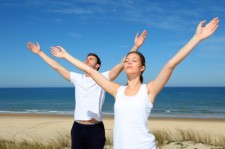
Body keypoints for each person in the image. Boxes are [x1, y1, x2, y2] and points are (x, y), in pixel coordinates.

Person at [50, 17, 219, 149]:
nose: (129, 62)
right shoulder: (117, 91)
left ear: (142, 68)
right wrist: (66, 56)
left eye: (134, 60)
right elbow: (92, 72)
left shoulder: (150, 90)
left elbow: (170, 64)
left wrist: (196, 38)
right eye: (127, 60)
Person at [26, 30, 147, 149]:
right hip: (77, 128)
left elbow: (121, 64)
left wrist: (135, 46)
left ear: (97, 65)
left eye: (91, 59)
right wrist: (40, 52)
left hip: (95, 129)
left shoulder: (103, 77)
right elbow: (57, 67)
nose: (87, 59)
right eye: (86, 58)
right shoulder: (77, 78)